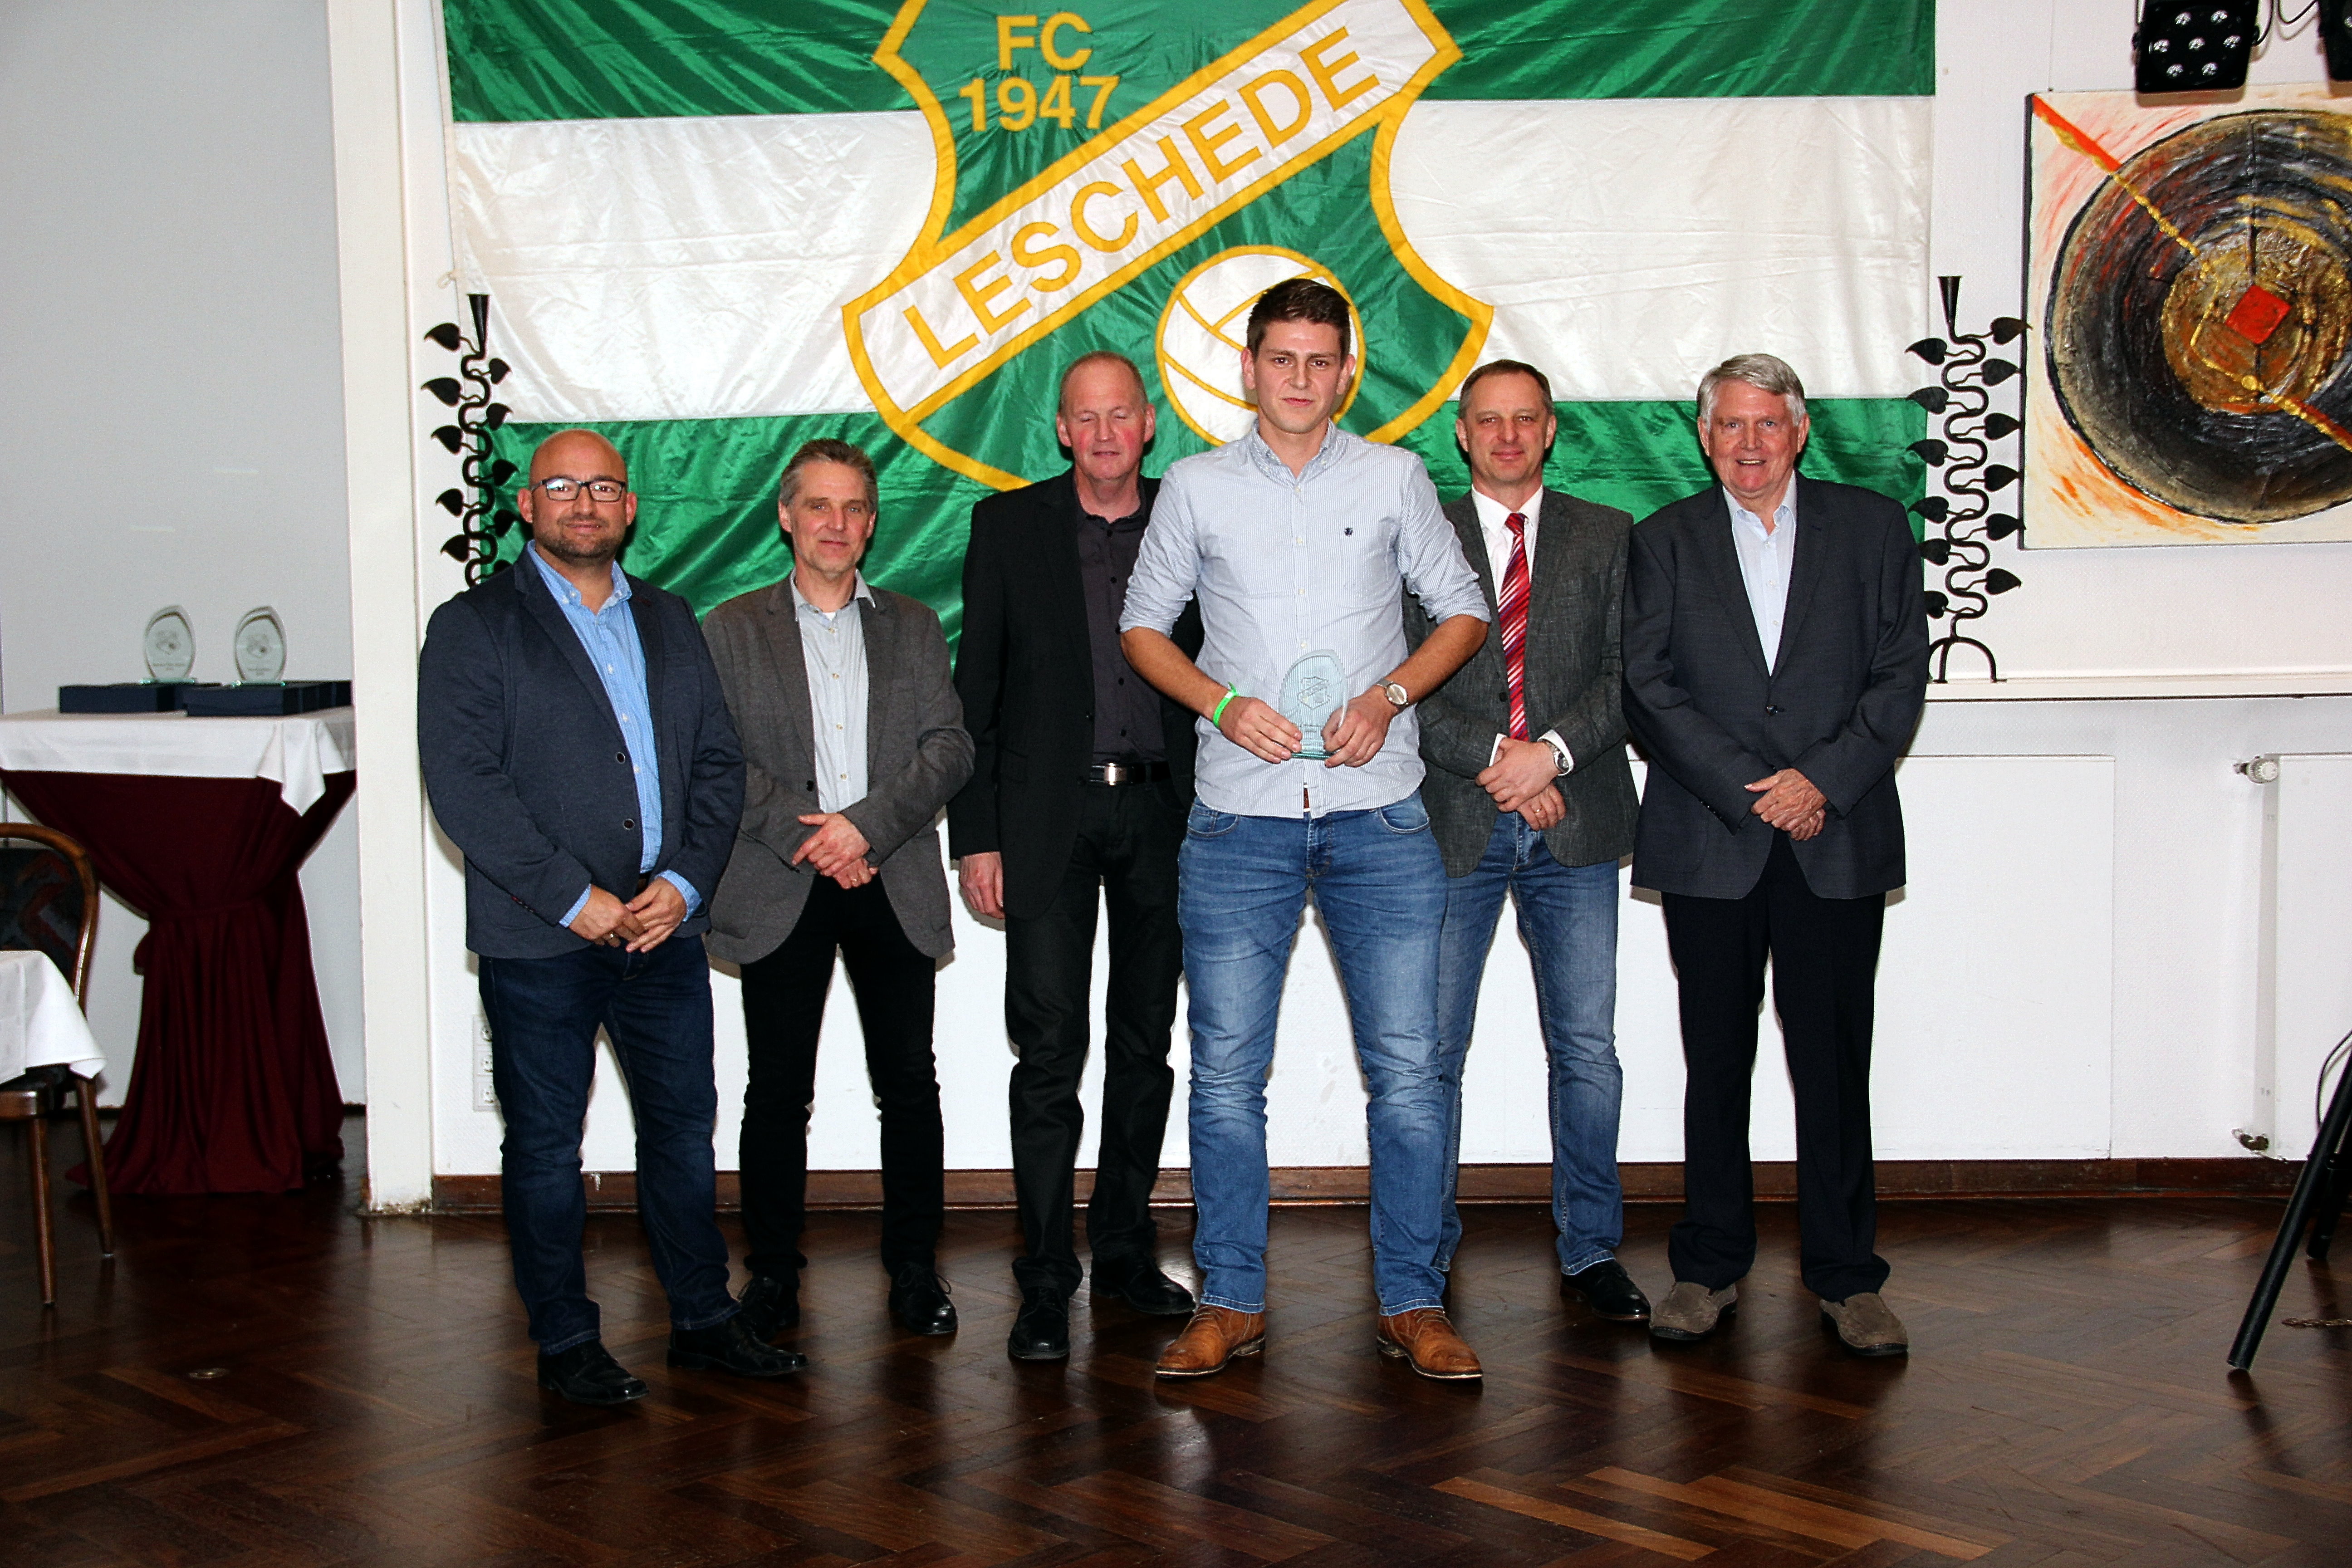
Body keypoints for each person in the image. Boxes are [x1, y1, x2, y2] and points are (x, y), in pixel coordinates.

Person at [1120, 278, 1491, 1380]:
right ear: (1249, 368)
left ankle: (1413, 1302)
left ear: (1346, 373)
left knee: (1411, 1074)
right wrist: (1222, 704)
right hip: (1240, 822)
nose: (1299, 378)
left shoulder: (1396, 477)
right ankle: (1230, 1300)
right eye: (1280, 358)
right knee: (1226, 1077)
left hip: (1381, 818)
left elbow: (1464, 609)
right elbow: (1142, 627)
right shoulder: (1194, 487)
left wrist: (1391, 694)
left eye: (1319, 360)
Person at [418, 428, 804, 1406]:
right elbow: (465, 786)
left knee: (682, 1134)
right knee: (547, 1148)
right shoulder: (474, 626)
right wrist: (572, 898)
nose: (583, 502)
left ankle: (703, 1320)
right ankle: (565, 1341)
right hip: (541, 937)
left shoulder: (669, 619)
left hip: (664, 929)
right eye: (561, 486)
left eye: (602, 487)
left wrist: (686, 882)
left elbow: (716, 763)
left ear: (630, 507)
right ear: (526, 505)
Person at [1620, 353, 1928, 1357]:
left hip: (1834, 837)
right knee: (1717, 1062)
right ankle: (1707, 1267)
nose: (1748, 444)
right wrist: (1755, 789)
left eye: (1767, 424)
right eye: (1730, 426)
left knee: (1833, 1065)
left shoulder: (1873, 528)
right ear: (1703, 436)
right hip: (1713, 839)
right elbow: (1647, 687)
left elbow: (1898, 678)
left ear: (1800, 431)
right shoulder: (1663, 540)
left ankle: (1848, 1277)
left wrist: (1818, 784)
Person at [949, 351, 1204, 1362]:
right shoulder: (1007, 527)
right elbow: (977, 691)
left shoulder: (1192, 516)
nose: (1103, 435)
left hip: (1169, 816)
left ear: (1148, 425)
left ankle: (1128, 1250)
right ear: (1062, 429)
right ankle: (1048, 1274)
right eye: (1084, 418)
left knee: (1147, 1045)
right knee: (1050, 1054)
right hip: (1044, 820)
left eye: (1119, 416)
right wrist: (976, 836)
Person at [702, 438, 974, 1345]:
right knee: (778, 1092)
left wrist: (864, 828)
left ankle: (915, 1270)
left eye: (854, 508)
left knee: (910, 1085)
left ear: (871, 523)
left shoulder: (914, 626)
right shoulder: (731, 629)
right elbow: (715, 761)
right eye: (818, 506)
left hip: (888, 877)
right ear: (786, 516)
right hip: (780, 881)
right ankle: (773, 1276)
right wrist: (814, 838)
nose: (837, 524)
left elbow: (949, 748)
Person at [1408, 359, 1646, 1322]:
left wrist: (1550, 757)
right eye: (1488, 420)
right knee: (1430, 1054)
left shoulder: (1609, 534)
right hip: (1454, 824)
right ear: (1462, 433)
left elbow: (1632, 675)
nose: (1507, 436)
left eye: (1525, 419)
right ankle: (1421, 1253)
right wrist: (1500, 763)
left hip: (1576, 823)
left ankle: (1592, 1249)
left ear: (1550, 429)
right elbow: (1397, 682)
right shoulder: (1419, 532)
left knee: (1587, 1048)